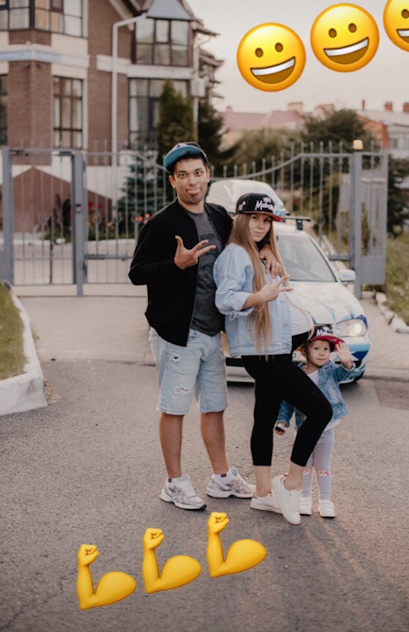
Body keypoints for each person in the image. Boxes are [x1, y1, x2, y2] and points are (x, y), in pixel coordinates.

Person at [128, 142, 280, 511]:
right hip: (177, 333)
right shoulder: (161, 224)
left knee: (214, 406)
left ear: (207, 175)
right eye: (183, 175)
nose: (192, 181)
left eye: (197, 173)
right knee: (174, 408)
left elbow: (243, 242)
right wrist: (175, 265)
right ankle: (174, 483)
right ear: (173, 181)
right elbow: (137, 273)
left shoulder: (218, 216)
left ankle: (221, 477)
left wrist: (266, 249)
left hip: (213, 331)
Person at [213, 192, 333, 525]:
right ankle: (290, 484)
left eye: (266, 221)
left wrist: (265, 251)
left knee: (265, 416)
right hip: (261, 351)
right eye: (254, 218)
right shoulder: (235, 255)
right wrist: (258, 296)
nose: (260, 225)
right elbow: (224, 299)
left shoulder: (256, 252)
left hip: (272, 347)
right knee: (321, 410)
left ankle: (263, 492)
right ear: (241, 219)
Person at [275, 326, 354, 518]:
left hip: (326, 431)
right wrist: (283, 421)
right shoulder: (297, 375)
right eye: (316, 348)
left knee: (323, 467)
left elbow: (344, 374)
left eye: (326, 349)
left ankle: (325, 501)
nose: (322, 353)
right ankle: (305, 498)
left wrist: (347, 363)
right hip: (304, 431)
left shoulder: (330, 370)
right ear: (304, 351)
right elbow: (287, 401)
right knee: (305, 466)